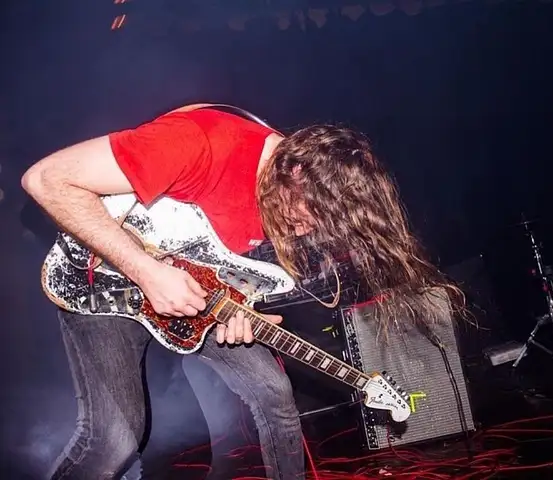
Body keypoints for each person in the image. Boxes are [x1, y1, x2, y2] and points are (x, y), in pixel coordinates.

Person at [22, 105, 460, 479]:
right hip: (104, 280)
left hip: (197, 295)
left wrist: (241, 312)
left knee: (276, 395)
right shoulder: (203, 141)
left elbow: (224, 267)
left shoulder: (284, 198)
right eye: (310, 215)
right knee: (115, 441)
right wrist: (147, 272)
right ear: (296, 170)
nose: (307, 230)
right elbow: (46, 180)